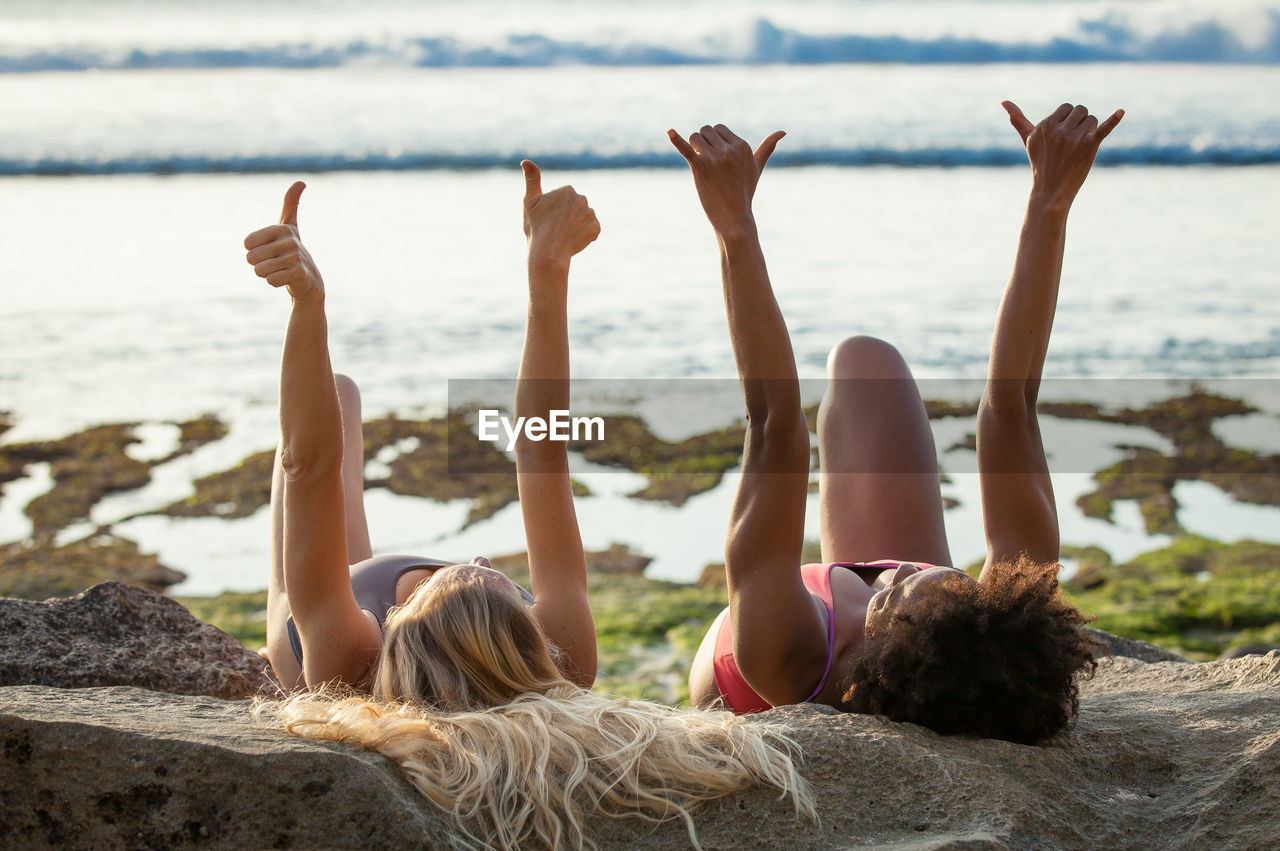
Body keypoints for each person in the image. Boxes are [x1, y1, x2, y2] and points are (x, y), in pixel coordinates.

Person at [245, 166, 813, 848]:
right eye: (506, 585)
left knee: (332, 400)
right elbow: (541, 452)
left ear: (408, 619)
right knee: (336, 399)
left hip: (312, 624)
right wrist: (548, 272)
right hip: (441, 647)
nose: (481, 555)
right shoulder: (560, 649)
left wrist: (308, 304)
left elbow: (305, 465)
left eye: (475, 573)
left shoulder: (346, 652)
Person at [673, 101, 1123, 745]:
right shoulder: (998, 626)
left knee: (807, 425)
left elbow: (773, 424)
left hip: (759, 666)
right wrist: (1051, 201)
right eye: (937, 582)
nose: (896, 573)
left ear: (884, 642)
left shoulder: (786, 655)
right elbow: (1012, 406)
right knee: (866, 364)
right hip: (911, 651)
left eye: (893, 595)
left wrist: (733, 225)